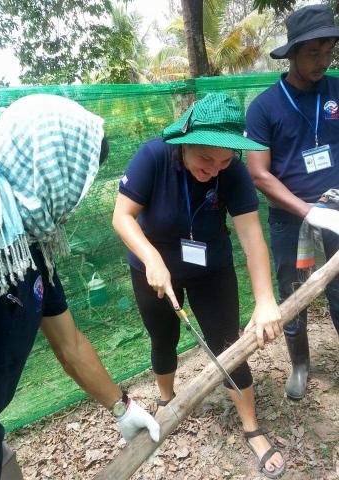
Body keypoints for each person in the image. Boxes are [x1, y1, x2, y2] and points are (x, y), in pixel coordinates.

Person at [0, 94, 160, 480]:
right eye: (76, 181)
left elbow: (69, 343)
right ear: (49, 169)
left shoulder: (29, 243)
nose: (74, 202)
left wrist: (123, 408)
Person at [113, 92, 286, 479]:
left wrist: (265, 299)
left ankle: (251, 427)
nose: (215, 169)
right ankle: (166, 399)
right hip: (152, 268)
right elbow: (122, 216)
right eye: (206, 158)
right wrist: (151, 259)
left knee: (227, 342)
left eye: (224, 160)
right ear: (184, 143)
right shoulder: (154, 155)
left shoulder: (234, 172)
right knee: (163, 338)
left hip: (211, 268)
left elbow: (251, 235)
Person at [245, 4, 339, 402]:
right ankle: (300, 363)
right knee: (292, 293)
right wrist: (309, 212)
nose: (323, 61)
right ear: (293, 53)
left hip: (338, 212)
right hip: (289, 219)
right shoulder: (265, 107)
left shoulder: (336, 91)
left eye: (329, 51)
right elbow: (259, 173)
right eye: (313, 53)